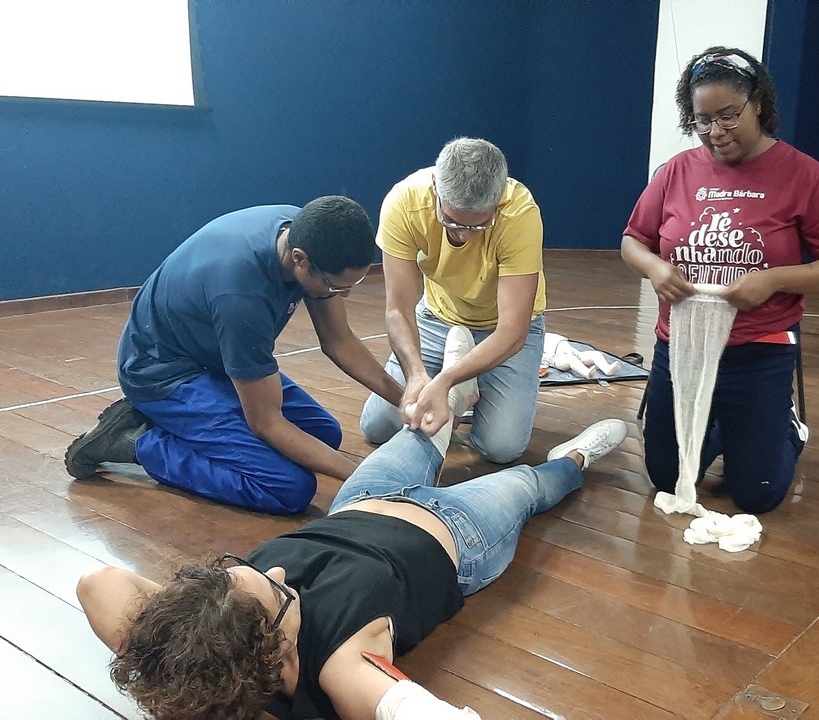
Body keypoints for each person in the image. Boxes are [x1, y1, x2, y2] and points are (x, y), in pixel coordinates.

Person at [76, 331, 629, 719]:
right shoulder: (341, 670)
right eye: (278, 593)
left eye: (240, 572)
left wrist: (173, 642)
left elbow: (98, 583)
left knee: (421, 432)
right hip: (462, 534)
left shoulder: (213, 633)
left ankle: (453, 391)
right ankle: (576, 457)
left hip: (362, 501)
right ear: (274, 653)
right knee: (531, 485)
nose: (278, 571)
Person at [620, 46, 819, 513]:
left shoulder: (803, 174)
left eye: (729, 116)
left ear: (758, 104)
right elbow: (633, 240)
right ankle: (722, 427)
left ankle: (783, 426)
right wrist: (656, 268)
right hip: (682, 346)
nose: (716, 132)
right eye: (703, 120)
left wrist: (774, 280)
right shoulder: (677, 171)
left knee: (758, 494)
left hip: (758, 350)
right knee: (668, 479)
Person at [64, 197, 404, 515]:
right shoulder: (242, 296)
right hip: (162, 373)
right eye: (335, 287)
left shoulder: (305, 229)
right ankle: (137, 441)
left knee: (323, 433)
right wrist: (364, 475)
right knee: (288, 488)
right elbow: (266, 423)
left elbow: (339, 341)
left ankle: (192, 427)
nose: (343, 295)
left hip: (214, 355)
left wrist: (406, 401)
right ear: (300, 259)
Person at [359, 137, 546, 463]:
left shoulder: (520, 213)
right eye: (453, 222)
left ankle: (459, 384)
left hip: (500, 329)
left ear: (498, 199)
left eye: (480, 224)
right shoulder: (404, 202)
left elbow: (513, 331)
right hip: (437, 318)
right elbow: (398, 309)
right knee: (378, 426)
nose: (464, 234)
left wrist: (445, 381)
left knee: (501, 448)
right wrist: (416, 374)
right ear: (437, 190)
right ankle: (459, 382)